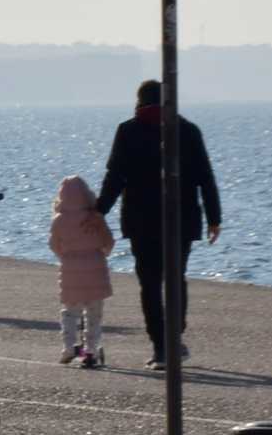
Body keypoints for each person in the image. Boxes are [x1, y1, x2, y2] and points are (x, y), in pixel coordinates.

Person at [95, 79, 222, 369]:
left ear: (139, 102)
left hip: (141, 222)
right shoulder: (187, 130)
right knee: (176, 279)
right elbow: (206, 177)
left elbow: (116, 176)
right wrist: (214, 218)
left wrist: (99, 211)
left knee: (149, 284)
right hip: (182, 220)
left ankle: (161, 348)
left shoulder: (128, 131)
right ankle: (174, 338)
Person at [49, 175, 114, 369]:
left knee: (70, 312)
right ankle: (91, 351)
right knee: (93, 314)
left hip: (70, 268)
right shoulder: (95, 218)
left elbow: (53, 244)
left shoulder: (58, 220)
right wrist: (102, 253)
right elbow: (108, 242)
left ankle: (69, 346)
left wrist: (65, 257)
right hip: (95, 267)